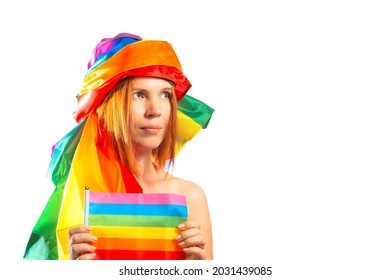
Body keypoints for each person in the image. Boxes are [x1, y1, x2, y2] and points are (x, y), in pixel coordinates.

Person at [23, 32, 214, 260]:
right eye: (138, 95)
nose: (155, 110)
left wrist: (199, 267)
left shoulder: (190, 197)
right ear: (107, 106)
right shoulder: (80, 198)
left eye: (165, 94)